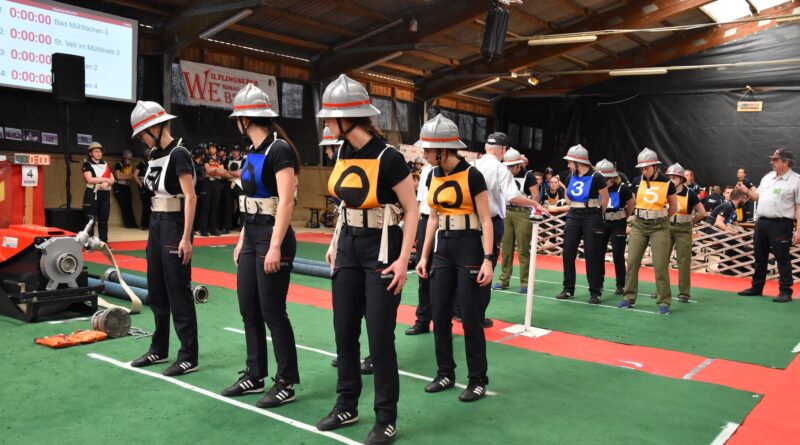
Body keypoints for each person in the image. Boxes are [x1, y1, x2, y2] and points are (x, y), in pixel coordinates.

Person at [315, 74, 419, 445]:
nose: (327, 123)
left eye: (331, 117)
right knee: (344, 331)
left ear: (348, 117)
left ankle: (386, 417)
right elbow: (346, 203)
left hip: (383, 249)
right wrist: (335, 240)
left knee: (379, 337)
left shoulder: (389, 158)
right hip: (348, 245)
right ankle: (347, 405)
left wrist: (404, 260)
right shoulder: (343, 151)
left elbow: (412, 210)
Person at [219, 83, 302, 407]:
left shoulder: (278, 150)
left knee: (272, 312)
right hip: (252, 234)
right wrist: (242, 240)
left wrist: (275, 246)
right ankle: (254, 374)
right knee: (248, 308)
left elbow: (285, 202)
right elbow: (250, 201)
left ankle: (286, 381)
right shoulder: (254, 151)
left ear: (245, 119)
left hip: (272, 235)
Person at [415, 115, 493, 402]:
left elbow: (486, 219)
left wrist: (488, 259)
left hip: (470, 247)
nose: (423, 154)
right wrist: (424, 256)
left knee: (470, 317)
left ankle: (477, 379)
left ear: (443, 149)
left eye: (428, 149)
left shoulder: (473, 175)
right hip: (443, 249)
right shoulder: (432, 175)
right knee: (439, 314)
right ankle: (445, 373)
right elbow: (433, 219)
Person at [129, 100, 198, 376]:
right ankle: (159, 348)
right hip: (156, 223)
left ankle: (188, 355)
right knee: (156, 290)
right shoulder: (155, 155)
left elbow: (190, 197)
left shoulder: (179, 153)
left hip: (174, 223)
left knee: (178, 290)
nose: (142, 140)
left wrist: (186, 237)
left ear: (156, 128)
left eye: (143, 134)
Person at [471, 132, 542, 327]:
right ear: (503, 149)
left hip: (468, 222)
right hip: (491, 220)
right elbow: (513, 197)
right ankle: (477, 315)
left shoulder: (472, 165)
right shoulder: (499, 168)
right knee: (487, 266)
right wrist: (533, 204)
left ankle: (461, 311)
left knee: (468, 266)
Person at [617, 148, 677, 315]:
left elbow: (673, 208)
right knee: (632, 261)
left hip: (659, 226)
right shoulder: (637, 181)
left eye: (647, 168)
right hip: (639, 225)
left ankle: (664, 301)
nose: (644, 171)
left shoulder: (668, 184)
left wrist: (659, 217)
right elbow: (634, 202)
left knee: (660, 265)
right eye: (641, 168)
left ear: (655, 166)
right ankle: (629, 297)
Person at [737, 148, 800, 302]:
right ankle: (756, 287)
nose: (771, 162)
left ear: (785, 162)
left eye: (775, 160)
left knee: (782, 258)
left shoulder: (796, 180)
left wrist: (799, 230)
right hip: (761, 222)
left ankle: (785, 291)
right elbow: (757, 197)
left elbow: (799, 207)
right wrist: (746, 191)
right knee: (759, 257)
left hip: (781, 224)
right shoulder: (767, 177)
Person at [555, 144, 609, 304]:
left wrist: (597, 213)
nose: (568, 165)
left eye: (570, 162)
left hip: (591, 216)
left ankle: (595, 291)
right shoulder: (570, 176)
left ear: (578, 162)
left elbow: (605, 199)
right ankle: (568, 289)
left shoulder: (597, 177)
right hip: (573, 215)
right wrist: (575, 207)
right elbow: (568, 196)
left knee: (592, 255)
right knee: (568, 253)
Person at [495, 148, 538, 294]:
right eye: (507, 166)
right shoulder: (503, 174)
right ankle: (503, 279)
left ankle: (525, 283)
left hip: (523, 213)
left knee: (523, 250)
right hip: (506, 212)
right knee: (506, 249)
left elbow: (535, 196)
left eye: (512, 166)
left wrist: (532, 211)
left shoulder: (528, 176)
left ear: (519, 165)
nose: (509, 169)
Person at [664, 163, 706, 302]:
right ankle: (661, 290)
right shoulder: (664, 191)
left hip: (683, 230)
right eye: (669, 177)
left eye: (675, 177)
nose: (671, 180)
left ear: (681, 179)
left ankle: (684, 293)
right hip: (666, 228)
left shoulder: (690, 193)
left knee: (683, 261)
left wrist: (690, 222)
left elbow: (702, 212)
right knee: (662, 260)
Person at [596, 159, 634, 295]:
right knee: (598, 254)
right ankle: (598, 283)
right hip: (601, 223)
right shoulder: (597, 188)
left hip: (618, 223)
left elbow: (631, 206)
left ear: (612, 177)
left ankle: (621, 284)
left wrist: (622, 217)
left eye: (604, 178)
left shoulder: (622, 188)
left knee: (618, 255)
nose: (601, 180)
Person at [406, 160, 434, 336]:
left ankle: (444, 321)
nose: (425, 154)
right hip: (426, 220)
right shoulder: (425, 170)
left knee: (446, 276)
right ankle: (423, 320)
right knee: (423, 274)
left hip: (446, 223)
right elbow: (419, 202)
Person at [703, 188, 745, 276]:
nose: (745, 201)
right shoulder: (727, 206)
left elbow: (736, 225)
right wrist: (732, 232)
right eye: (744, 198)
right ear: (739, 198)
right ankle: (727, 268)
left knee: (742, 239)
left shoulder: (733, 209)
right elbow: (718, 223)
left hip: (718, 231)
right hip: (710, 231)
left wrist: (741, 232)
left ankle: (733, 267)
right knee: (734, 240)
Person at [82, 142, 114, 242]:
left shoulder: (106, 164)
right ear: (90, 153)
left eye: (100, 151)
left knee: (104, 220)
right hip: (92, 193)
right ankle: (89, 243)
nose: (99, 153)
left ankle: (103, 242)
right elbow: (90, 179)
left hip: (105, 194)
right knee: (90, 220)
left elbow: (112, 179)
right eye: (96, 151)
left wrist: (107, 183)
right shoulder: (87, 164)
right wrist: (105, 179)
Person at [113, 150, 138, 229]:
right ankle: (127, 224)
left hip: (127, 187)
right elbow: (118, 177)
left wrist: (124, 175)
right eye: (128, 159)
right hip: (119, 187)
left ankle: (133, 223)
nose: (129, 161)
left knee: (129, 206)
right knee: (124, 206)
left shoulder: (130, 166)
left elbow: (133, 177)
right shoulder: (119, 164)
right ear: (124, 158)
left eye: (130, 159)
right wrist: (128, 176)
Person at [204, 143, 225, 236]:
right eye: (210, 148)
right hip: (208, 182)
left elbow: (222, 172)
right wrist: (217, 170)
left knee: (215, 206)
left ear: (216, 149)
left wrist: (213, 170)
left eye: (213, 148)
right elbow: (207, 170)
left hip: (217, 183)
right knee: (206, 206)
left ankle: (213, 229)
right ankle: (204, 229)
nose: (211, 149)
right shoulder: (206, 158)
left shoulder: (220, 159)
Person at [192, 145, 210, 236]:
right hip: (194, 190)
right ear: (201, 155)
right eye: (203, 155)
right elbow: (199, 177)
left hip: (199, 190)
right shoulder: (193, 165)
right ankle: (192, 229)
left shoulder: (198, 164)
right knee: (193, 210)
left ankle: (196, 228)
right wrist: (204, 176)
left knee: (198, 210)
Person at [134, 149, 153, 230]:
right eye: (147, 156)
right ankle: (144, 225)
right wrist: (140, 183)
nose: (148, 157)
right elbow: (135, 175)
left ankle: (149, 224)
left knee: (151, 206)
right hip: (144, 186)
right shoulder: (141, 164)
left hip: (151, 186)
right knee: (145, 206)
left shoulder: (153, 163)